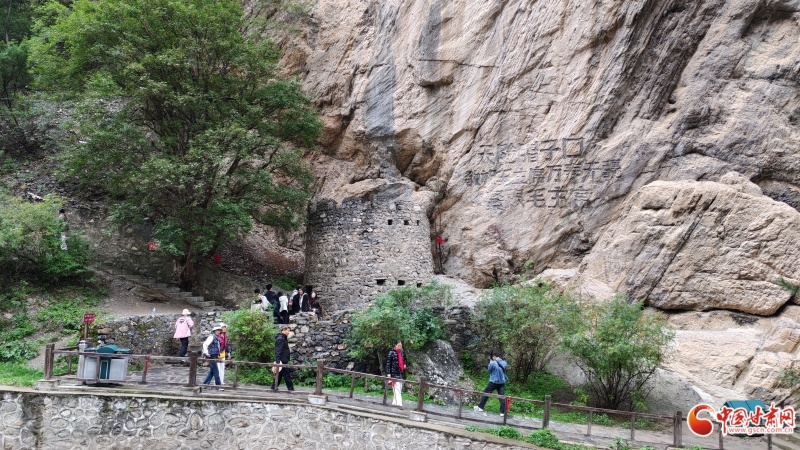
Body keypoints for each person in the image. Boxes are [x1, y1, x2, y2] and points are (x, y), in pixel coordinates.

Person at [473, 350, 509, 416]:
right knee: (501, 396)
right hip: (501, 382)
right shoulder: (504, 362)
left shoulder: (493, 363)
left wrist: (490, 363)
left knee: (486, 393)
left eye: (492, 357)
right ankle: (502, 412)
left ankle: (480, 407)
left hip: (494, 381)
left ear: (494, 356)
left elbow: (489, 370)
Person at [272, 325, 294, 392]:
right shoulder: (280, 339)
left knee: (279, 374)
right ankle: (291, 389)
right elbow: (278, 351)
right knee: (287, 375)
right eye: (288, 331)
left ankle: (273, 387)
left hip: (283, 360)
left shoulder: (283, 338)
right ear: (283, 330)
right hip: (282, 360)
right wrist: (278, 362)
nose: (288, 332)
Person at [386, 341, 407, 407]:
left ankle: (394, 402)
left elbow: (405, 359)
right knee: (397, 388)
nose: (400, 347)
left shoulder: (402, 352)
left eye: (401, 345)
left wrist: (405, 364)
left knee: (399, 388)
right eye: (398, 345)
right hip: (394, 373)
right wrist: (388, 373)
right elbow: (388, 364)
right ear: (395, 345)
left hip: (401, 373)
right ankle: (399, 403)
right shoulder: (391, 352)